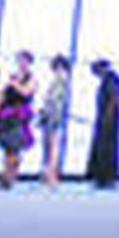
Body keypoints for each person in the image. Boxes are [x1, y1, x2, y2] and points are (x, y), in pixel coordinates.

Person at [0, 50, 37, 190]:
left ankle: (11, 175)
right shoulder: (14, 77)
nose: (22, 63)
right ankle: (5, 174)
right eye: (20, 60)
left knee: (15, 146)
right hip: (7, 114)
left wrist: (15, 84)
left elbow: (26, 92)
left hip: (20, 114)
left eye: (24, 61)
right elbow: (3, 94)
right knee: (7, 147)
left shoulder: (31, 78)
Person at [87, 59, 119, 189]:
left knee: (107, 149)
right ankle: (101, 176)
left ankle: (107, 176)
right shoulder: (108, 80)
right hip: (104, 118)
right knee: (102, 149)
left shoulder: (112, 80)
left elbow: (114, 99)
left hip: (109, 120)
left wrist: (108, 116)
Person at [38, 54, 71, 190]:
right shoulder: (59, 81)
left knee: (51, 147)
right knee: (49, 147)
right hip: (51, 116)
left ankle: (52, 177)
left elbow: (55, 102)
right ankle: (49, 175)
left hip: (53, 117)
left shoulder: (61, 81)